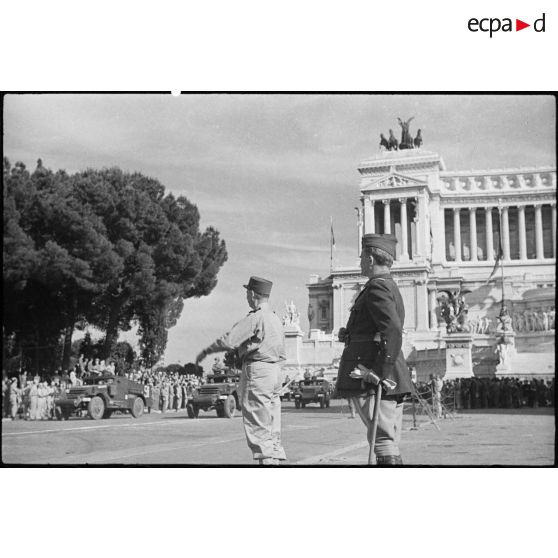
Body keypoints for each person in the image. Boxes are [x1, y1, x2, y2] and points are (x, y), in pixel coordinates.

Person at [335, 234, 413, 465]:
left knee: (383, 440)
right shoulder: (384, 286)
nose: (359, 262)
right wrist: (350, 334)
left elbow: (392, 329)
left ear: (370, 259)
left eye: (361, 258)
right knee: (383, 439)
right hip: (378, 372)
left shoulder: (377, 288)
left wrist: (379, 371)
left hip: (374, 374)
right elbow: (379, 328)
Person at [196, 276, 286, 466]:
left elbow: (230, 340)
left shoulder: (256, 317)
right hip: (275, 370)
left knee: (258, 426)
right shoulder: (276, 319)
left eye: (247, 292)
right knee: (272, 427)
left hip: (258, 370)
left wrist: (208, 350)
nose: (246, 296)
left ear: (253, 294)